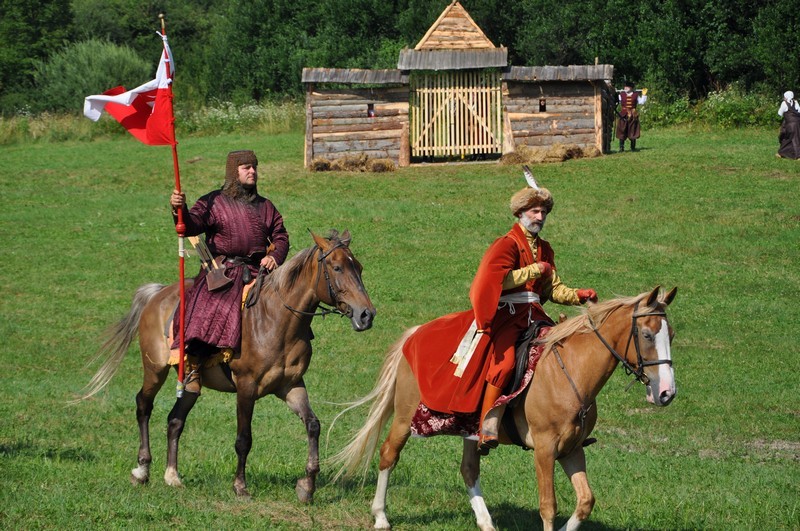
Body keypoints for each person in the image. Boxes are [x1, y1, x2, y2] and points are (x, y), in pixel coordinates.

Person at [402, 179, 597, 455]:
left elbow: (553, 288)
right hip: (508, 315)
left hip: (535, 315)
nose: (540, 217)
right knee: (504, 363)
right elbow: (495, 281)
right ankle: (487, 426)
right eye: (534, 211)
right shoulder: (506, 245)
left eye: (543, 212)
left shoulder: (545, 248)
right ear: (520, 213)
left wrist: (578, 294)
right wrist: (533, 271)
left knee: (562, 355)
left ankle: (566, 427)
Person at [169, 150, 290, 367]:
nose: (252, 171)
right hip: (222, 273)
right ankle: (197, 362)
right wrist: (180, 208)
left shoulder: (266, 206)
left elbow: (280, 235)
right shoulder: (213, 201)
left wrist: (274, 256)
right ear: (234, 172)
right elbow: (190, 226)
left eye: (254, 167)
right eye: (246, 168)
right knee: (213, 306)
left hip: (258, 271)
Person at [616, 81, 647, 152]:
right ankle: (621, 148)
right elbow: (616, 101)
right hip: (623, 115)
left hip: (633, 115)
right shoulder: (621, 95)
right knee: (622, 130)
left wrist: (644, 95)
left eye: (627, 87)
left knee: (633, 130)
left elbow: (641, 102)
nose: (625, 88)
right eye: (625, 87)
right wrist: (614, 93)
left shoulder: (635, 95)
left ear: (631, 88)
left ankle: (633, 147)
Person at [777, 90, 800, 159]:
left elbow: (779, 113)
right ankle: (785, 153)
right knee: (797, 138)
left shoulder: (784, 103)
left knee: (787, 138)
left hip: (790, 125)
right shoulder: (796, 102)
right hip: (798, 124)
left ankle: (797, 155)